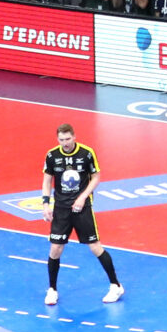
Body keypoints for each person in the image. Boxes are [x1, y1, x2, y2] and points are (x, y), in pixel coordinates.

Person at [42, 124, 125, 306]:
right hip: (61, 209)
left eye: (68, 139)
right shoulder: (52, 156)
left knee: (95, 246)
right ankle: (52, 290)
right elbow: (47, 181)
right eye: (61, 140)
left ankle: (116, 286)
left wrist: (82, 197)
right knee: (55, 249)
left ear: (74, 137)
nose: (65, 143)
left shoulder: (86, 153)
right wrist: (46, 204)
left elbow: (96, 177)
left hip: (82, 208)